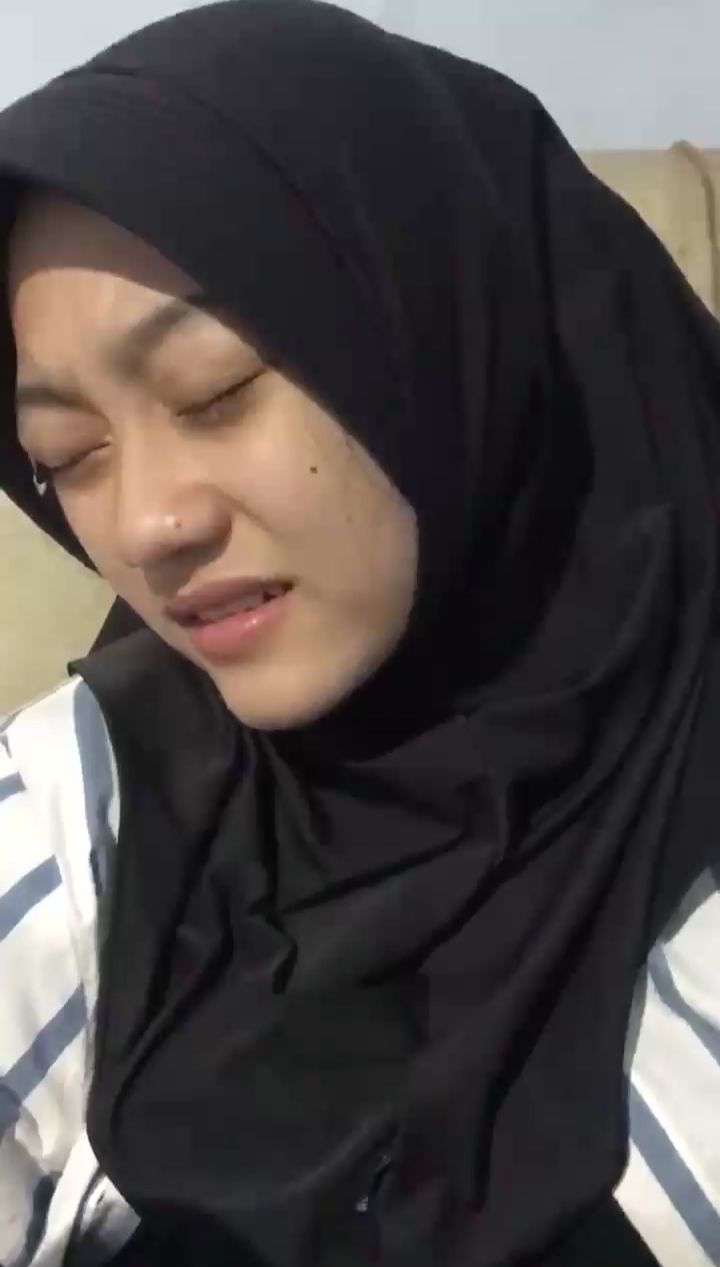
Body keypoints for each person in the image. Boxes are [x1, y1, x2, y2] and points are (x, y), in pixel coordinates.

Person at [0, 1, 718, 1264]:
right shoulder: (101, 791)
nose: (150, 524)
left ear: (451, 326)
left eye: (216, 388)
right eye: (70, 454)